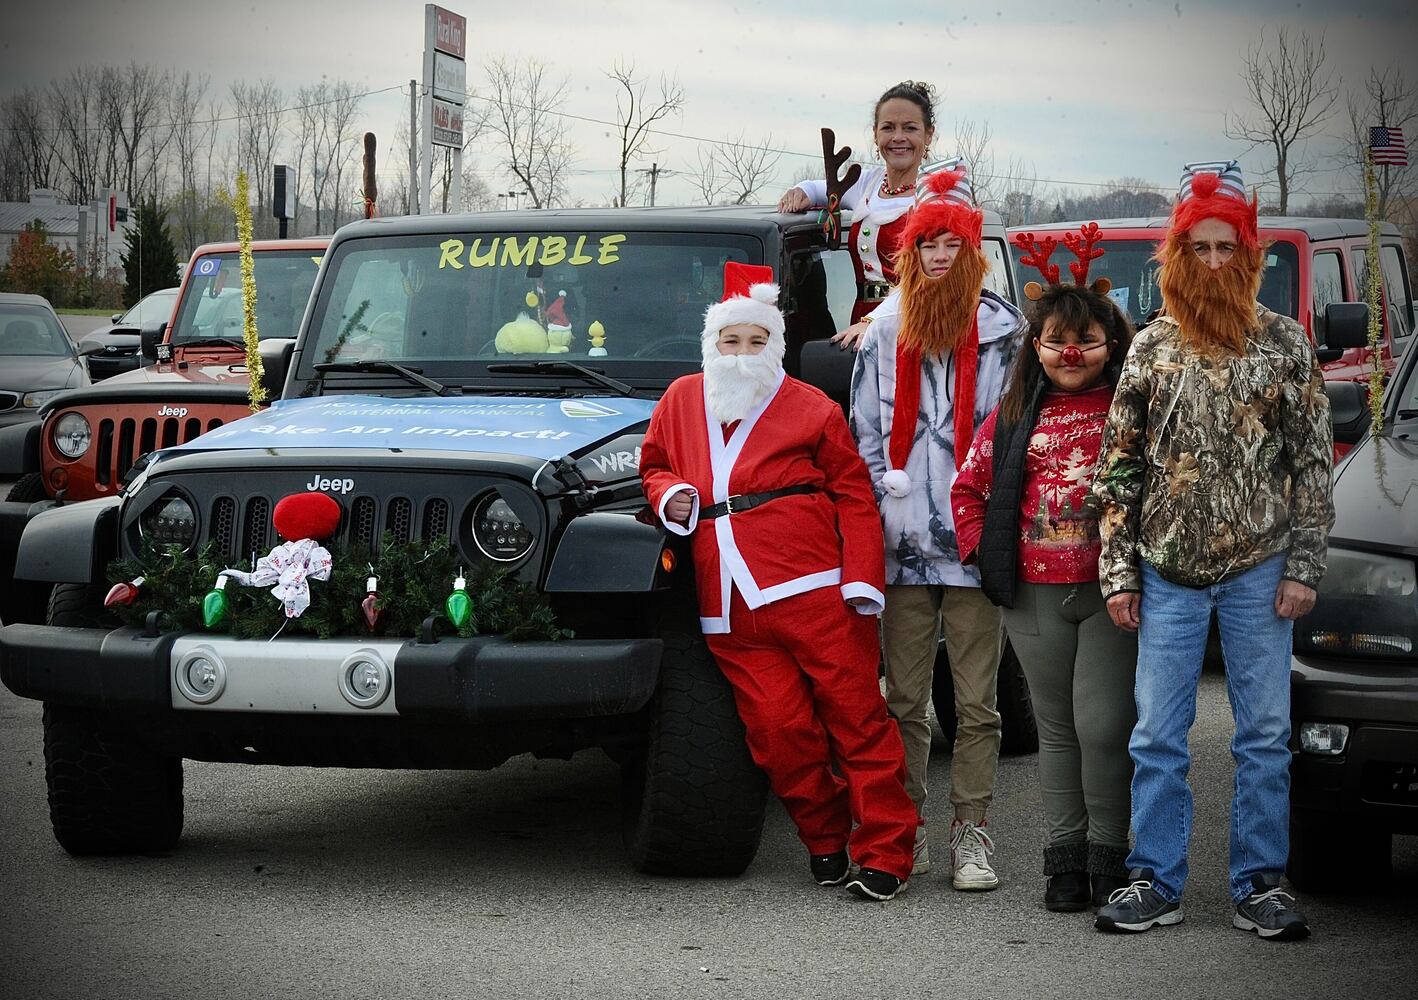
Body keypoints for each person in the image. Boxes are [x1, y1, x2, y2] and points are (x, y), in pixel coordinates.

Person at [1091, 161, 1334, 940]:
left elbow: (1312, 463)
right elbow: (1119, 466)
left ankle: (1259, 881)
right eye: (1198, 248)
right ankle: (1154, 879)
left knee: (1263, 735)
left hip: (1261, 571)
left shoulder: (1286, 345)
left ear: (1251, 254)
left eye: (1228, 248)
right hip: (1166, 573)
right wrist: (1120, 571)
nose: (1214, 262)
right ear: (1176, 254)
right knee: (1158, 734)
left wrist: (1303, 568)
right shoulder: (1150, 347)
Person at [639, 261, 918, 901]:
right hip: (728, 604)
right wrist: (671, 494)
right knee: (777, 734)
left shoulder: (811, 407)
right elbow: (654, 466)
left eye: (756, 342)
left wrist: (862, 579)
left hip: (817, 590)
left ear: (776, 346)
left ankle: (886, 851)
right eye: (730, 342)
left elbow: (853, 495)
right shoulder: (681, 399)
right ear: (712, 344)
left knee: (857, 723)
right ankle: (824, 839)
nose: (741, 355)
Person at [850, 164, 1027, 889]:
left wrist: (994, 521)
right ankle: (906, 829)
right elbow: (862, 433)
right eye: (928, 245)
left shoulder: (1005, 332)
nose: (940, 256)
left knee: (978, 703)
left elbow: (1014, 435)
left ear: (972, 249)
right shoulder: (882, 332)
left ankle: (971, 832)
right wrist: (876, 513)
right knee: (902, 698)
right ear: (911, 251)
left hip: (973, 543)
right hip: (901, 548)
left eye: (952, 244)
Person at [951, 237, 1137, 913]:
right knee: (1056, 730)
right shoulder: (1011, 418)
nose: (1070, 354)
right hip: (1032, 595)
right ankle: (1065, 864)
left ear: (1109, 346)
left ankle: (1111, 857)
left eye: (1085, 341)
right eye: (1056, 341)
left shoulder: (1129, 414)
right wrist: (981, 549)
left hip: (1106, 593)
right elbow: (967, 490)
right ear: (1036, 347)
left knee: (1103, 725)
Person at [778, 81, 937, 335]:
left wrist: (877, 323)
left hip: (916, 324)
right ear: (875, 134)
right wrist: (800, 192)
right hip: (860, 323)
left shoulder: (938, 194)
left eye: (910, 128)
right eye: (888, 128)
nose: (898, 137)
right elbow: (816, 189)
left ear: (928, 134)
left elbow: (940, 282)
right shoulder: (866, 183)